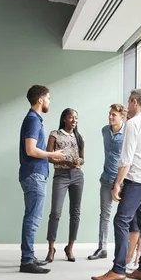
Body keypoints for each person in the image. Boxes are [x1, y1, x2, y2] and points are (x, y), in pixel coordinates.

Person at [91, 89, 141, 280]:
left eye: (129, 102)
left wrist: (117, 183)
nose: (128, 106)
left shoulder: (133, 124)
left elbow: (126, 158)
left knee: (121, 220)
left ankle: (118, 269)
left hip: (136, 180)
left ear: (134, 102)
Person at [19, 85, 65, 274]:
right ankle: (27, 260)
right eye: (48, 98)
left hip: (34, 174)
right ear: (40, 100)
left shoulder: (34, 119)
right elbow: (30, 150)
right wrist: (51, 154)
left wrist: (49, 156)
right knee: (33, 219)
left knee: (31, 217)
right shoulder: (33, 120)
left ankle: (28, 256)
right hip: (34, 175)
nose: (49, 101)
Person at [88, 104, 141, 264]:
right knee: (104, 215)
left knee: (127, 218)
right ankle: (102, 248)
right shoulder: (105, 130)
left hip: (124, 182)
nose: (110, 117)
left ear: (122, 117)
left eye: (114, 115)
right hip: (106, 180)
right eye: (110, 114)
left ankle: (127, 253)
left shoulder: (128, 132)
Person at [45, 108, 85, 263]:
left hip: (77, 176)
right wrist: (65, 162)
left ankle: (70, 247)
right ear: (64, 119)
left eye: (76, 117)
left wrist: (78, 162)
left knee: (75, 213)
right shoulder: (54, 135)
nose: (74, 120)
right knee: (55, 212)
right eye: (71, 117)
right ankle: (51, 248)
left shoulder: (79, 137)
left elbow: (82, 158)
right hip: (61, 176)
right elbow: (49, 157)